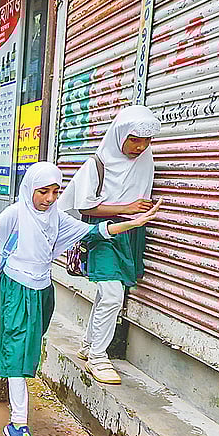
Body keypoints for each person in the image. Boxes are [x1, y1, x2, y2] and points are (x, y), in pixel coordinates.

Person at [0, 162, 162, 436]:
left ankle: (16, 403)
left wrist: (133, 223)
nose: (50, 198)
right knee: (18, 354)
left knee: (27, 350)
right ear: (30, 189)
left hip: (42, 293)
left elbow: (95, 232)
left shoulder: (57, 218)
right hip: (14, 292)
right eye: (43, 191)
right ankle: (18, 424)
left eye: (56, 192)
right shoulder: (15, 214)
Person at [60, 105, 161, 386]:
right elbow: (83, 205)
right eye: (134, 140)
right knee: (113, 294)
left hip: (130, 233)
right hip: (103, 234)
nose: (140, 147)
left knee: (110, 294)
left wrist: (140, 212)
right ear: (120, 135)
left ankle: (89, 344)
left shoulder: (145, 161)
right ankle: (98, 357)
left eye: (146, 141)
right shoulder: (98, 163)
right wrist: (127, 207)